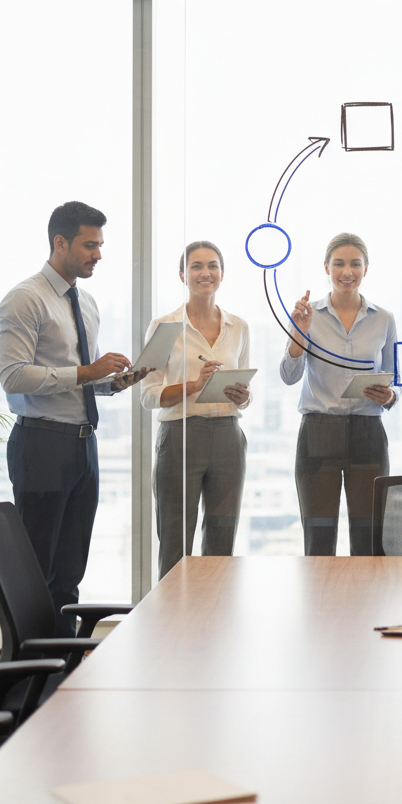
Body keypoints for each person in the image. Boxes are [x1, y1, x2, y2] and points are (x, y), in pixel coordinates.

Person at [0, 202, 149, 637]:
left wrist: (115, 382)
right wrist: (87, 372)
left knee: (69, 570)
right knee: (35, 570)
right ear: (59, 242)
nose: (98, 254)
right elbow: (12, 376)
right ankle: (22, 663)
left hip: (84, 446)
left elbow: (80, 380)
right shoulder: (25, 299)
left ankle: (57, 660)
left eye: (100, 245)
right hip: (41, 443)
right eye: (89, 244)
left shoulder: (88, 303)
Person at [279, 233, 398, 556]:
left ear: (366, 268)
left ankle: (366, 606)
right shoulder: (308, 315)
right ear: (326, 268)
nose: (347, 272)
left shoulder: (384, 319)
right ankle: (321, 606)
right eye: (339, 264)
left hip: (367, 432)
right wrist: (299, 333)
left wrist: (388, 397)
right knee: (318, 538)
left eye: (355, 264)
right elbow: (289, 376)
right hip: (319, 431)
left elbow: (394, 382)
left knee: (368, 538)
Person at [140, 241, 251, 580]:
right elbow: (148, 395)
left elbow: (245, 397)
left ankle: (213, 623)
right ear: (182, 275)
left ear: (222, 273)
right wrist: (194, 384)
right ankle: (172, 626)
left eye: (212, 266)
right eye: (197, 266)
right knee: (175, 540)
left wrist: (241, 395)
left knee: (222, 538)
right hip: (180, 435)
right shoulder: (165, 326)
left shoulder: (239, 327)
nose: (206, 273)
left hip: (228, 437)